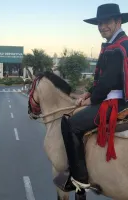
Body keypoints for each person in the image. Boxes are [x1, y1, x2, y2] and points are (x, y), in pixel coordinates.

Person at [54, 3, 128, 191]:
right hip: (116, 97)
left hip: (116, 102)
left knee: (70, 125)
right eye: (99, 23)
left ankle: (79, 178)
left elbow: (108, 81)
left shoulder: (116, 47)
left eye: (107, 22)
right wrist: (89, 91)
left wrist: (92, 99)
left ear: (118, 21)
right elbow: (103, 78)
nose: (102, 27)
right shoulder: (118, 43)